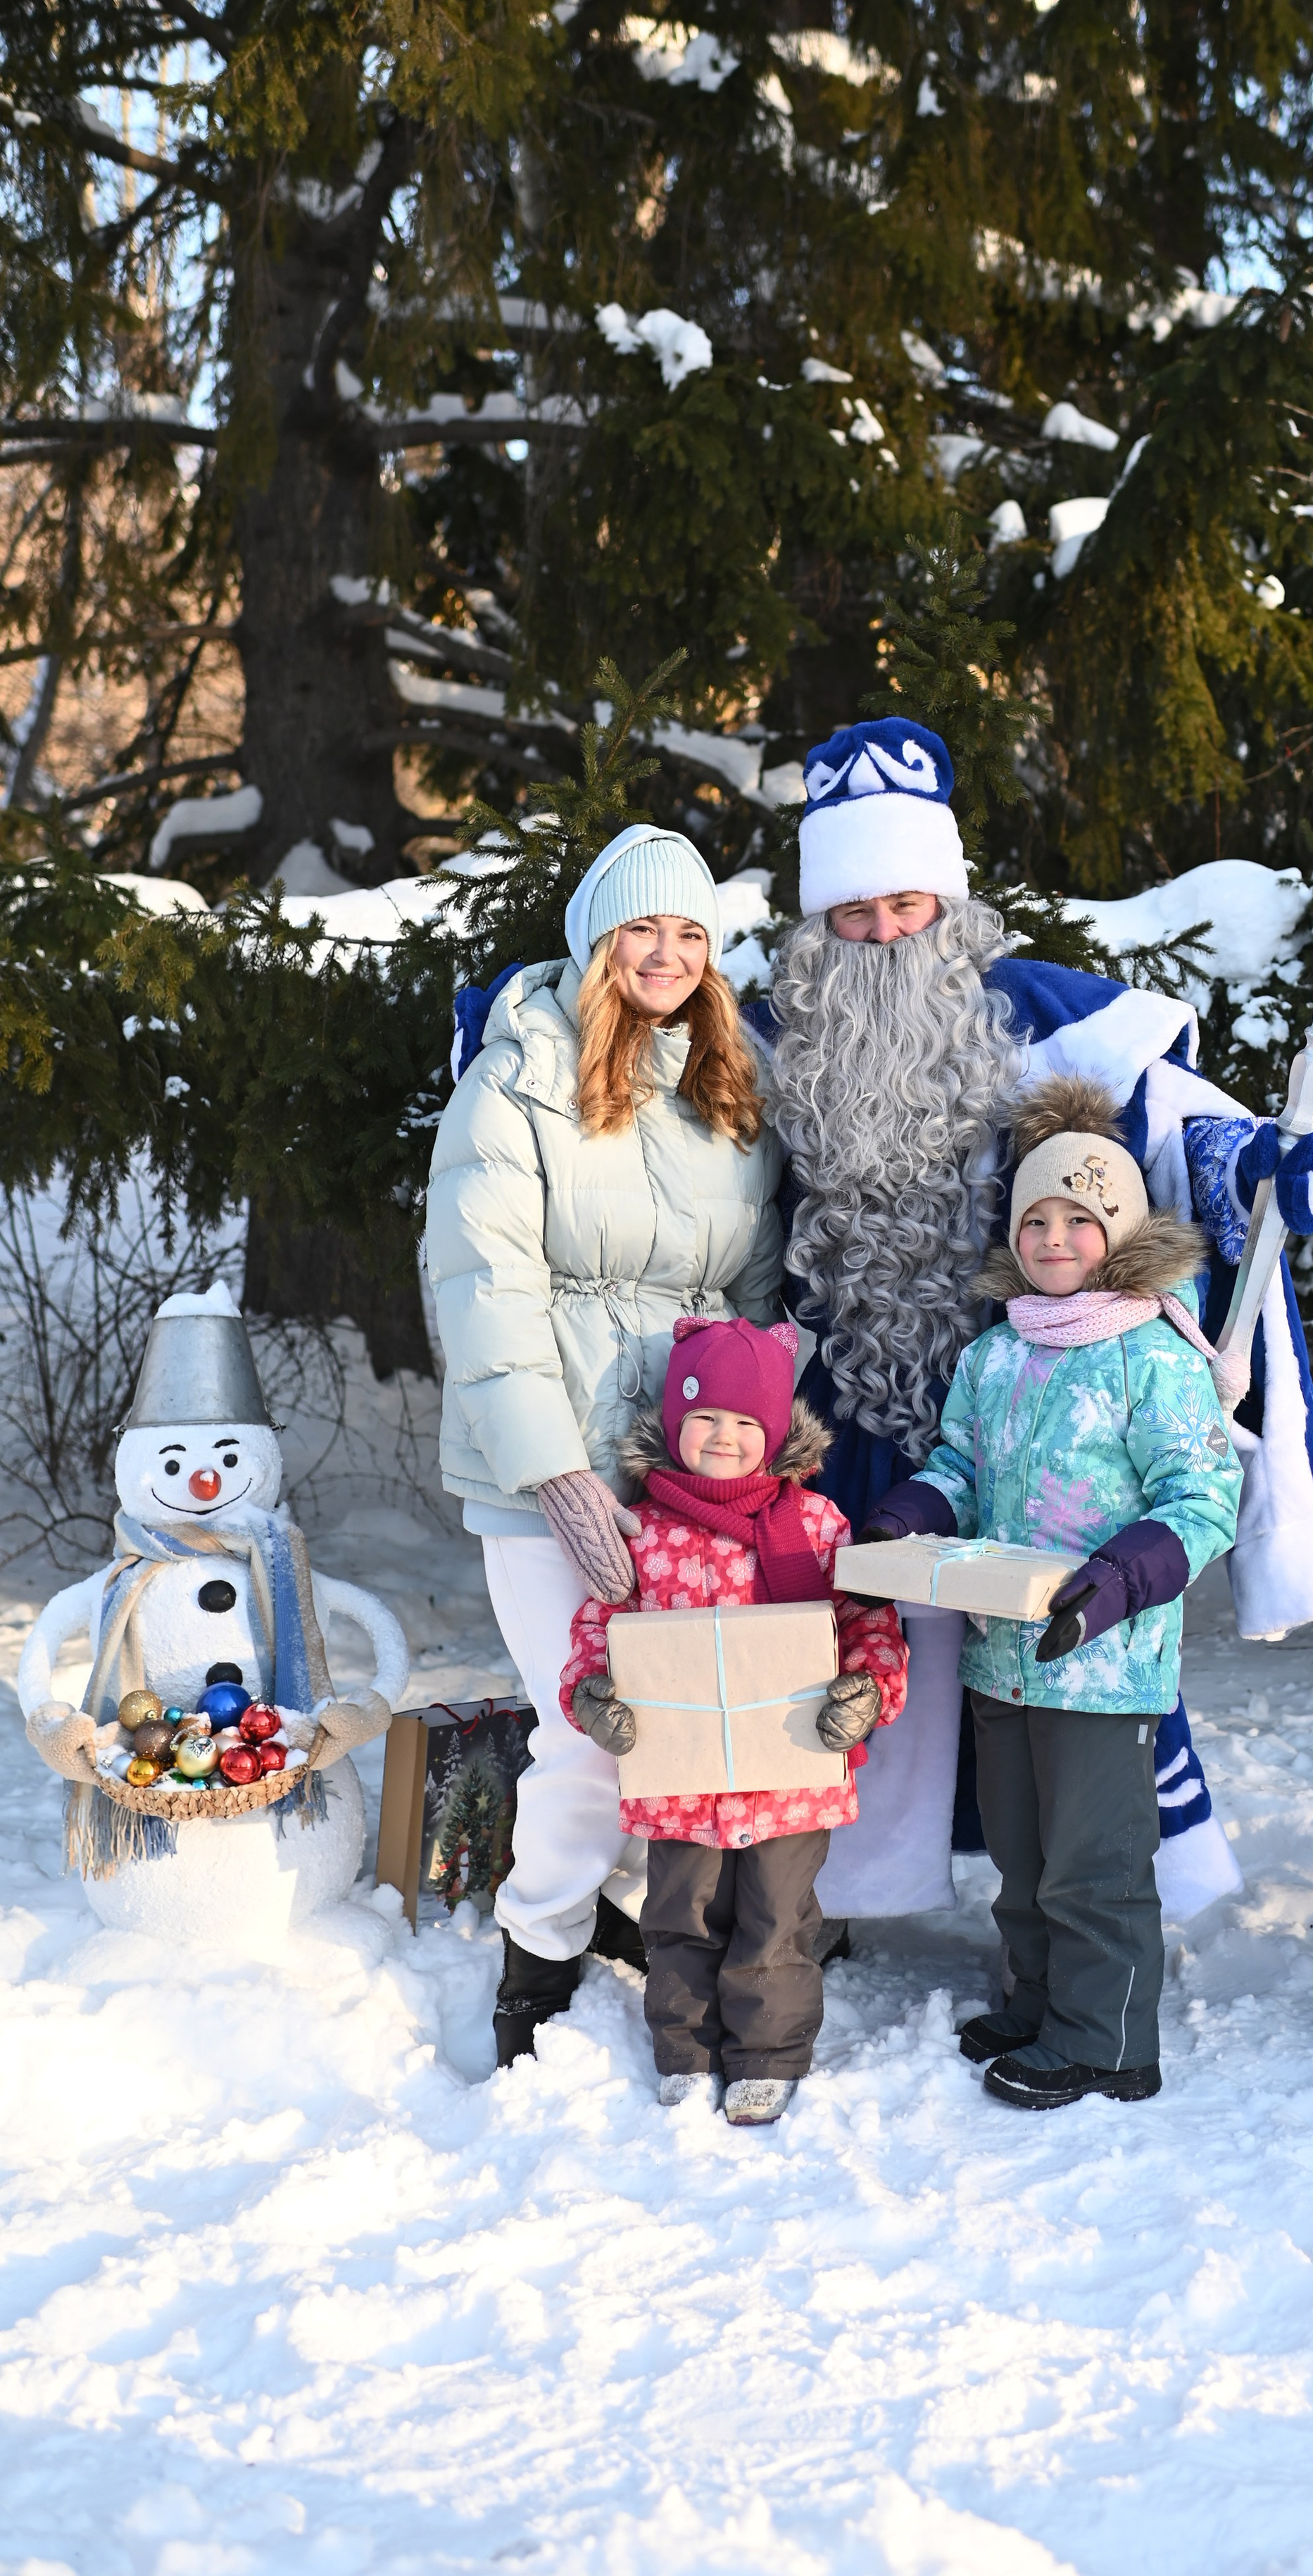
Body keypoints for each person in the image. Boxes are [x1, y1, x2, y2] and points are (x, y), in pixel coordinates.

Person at [743, 718, 1313, 1923]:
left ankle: (1087, 1909)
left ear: (948, 905)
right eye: (854, 913)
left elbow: (1179, 1134)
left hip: (1042, 1408)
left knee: (1062, 1656)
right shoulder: (770, 1042)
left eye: (907, 905)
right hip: (853, 1407)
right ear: (819, 925)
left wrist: (1259, 1165)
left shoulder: (1051, 1021)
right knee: (853, 1642)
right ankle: (839, 1894)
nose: (884, 935)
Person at [427, 827, 784, 2066]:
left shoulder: (728, 1089)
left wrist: (757, 1444)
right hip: (551, 1470)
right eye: (644, 929)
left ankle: (618, 1906)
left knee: (683, 1717)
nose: (668, 954)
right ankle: (536, 1952)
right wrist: (558, 1474)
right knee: (588, 1726)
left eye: (691, 933)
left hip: (688, 1473)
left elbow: (756, 1297)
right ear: (597, 942)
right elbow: (484, 1288)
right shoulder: (515, 1079)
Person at [865, 1077, 1242, 2109]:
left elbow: (1203, 1498)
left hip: (1103, 1662)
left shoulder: (1151, 1355)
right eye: (1036, 1219)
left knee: (1092, 1863)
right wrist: (910, 1515)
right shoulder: (996, 1353)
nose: (1055, 1237)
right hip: (1004, 1653)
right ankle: (1037, 2003)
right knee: (1024, 1855)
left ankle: (1107, 2040)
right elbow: (959, 1464)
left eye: (1080, 1218)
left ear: (1118, 1233)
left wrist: (1117, 1580)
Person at [558, 1315, 907, 2122]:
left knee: (776, 1921)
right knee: (680, 1918)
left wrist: (866, 1691)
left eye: (747, 1421)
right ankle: (685, 2049)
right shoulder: (641, 1531)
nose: (724, 1435)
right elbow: (599, 1627)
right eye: (706, 1415)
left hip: (789, 1775)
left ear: (776, 1431)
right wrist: (593, 1695)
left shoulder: (814, 1524)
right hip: (681, 1779)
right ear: (675, 1421)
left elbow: (866, 1623)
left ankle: (766, 2054)